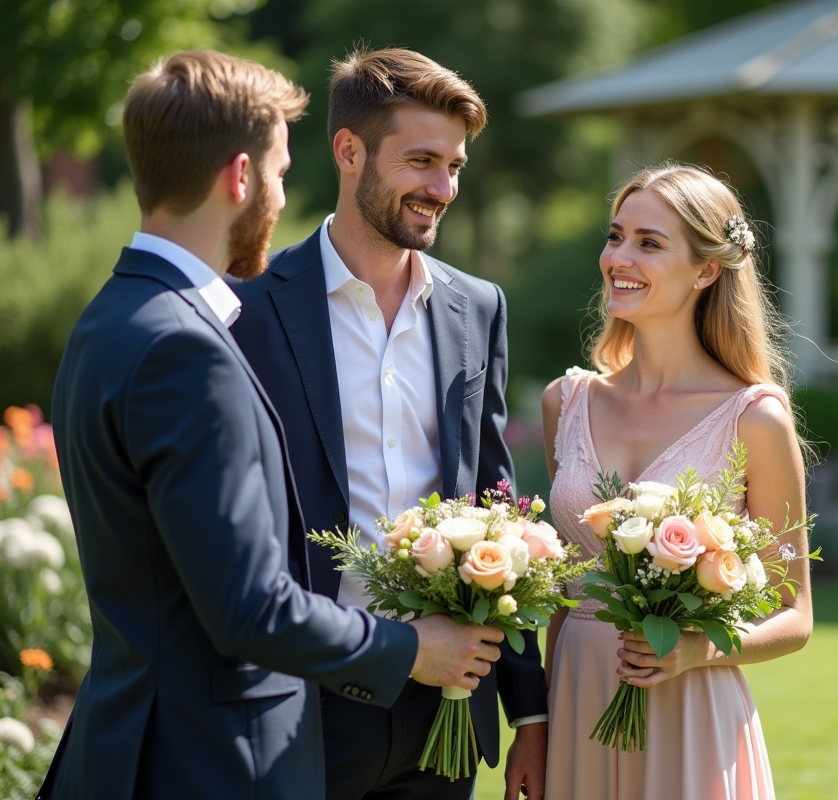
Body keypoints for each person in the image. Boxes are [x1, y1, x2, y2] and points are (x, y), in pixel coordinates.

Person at [39, 50, 504, 800]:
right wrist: (409, 648)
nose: (283, 196)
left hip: (139, 742)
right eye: (281, 172)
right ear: (240, 177)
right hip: (204, 760)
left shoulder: (113, 316)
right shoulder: (187, 347)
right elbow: (250, 605)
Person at [231, 47, 548, 800]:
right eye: (422, 161)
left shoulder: (478, 308)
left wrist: (529, 712)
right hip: (301, 703)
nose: (443, 188)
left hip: (447, 709)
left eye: (455, 166)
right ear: (349, 152)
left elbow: (496, 503)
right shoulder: (248, 307)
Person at [540, 163, 814, 799]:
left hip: (690, 712)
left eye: (649, 242)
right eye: (616, 236)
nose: (619, 257)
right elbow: (562, 596)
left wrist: (697, 650)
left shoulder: (754, 419)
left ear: (706, 270)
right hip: (577, 700)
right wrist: (538, 725)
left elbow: (794, 614)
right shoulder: (566, 402)